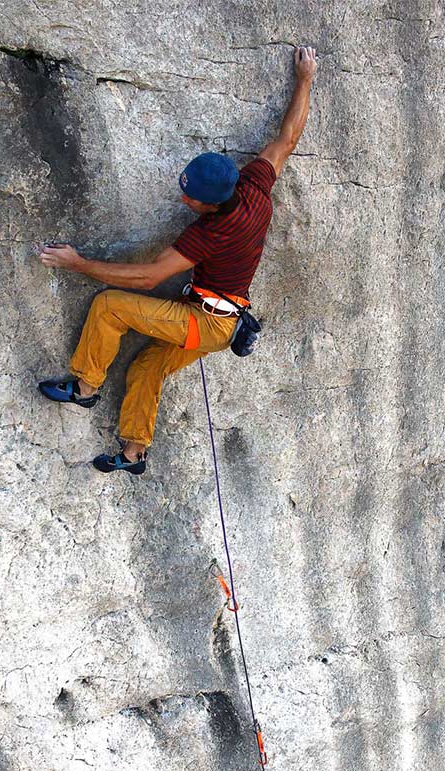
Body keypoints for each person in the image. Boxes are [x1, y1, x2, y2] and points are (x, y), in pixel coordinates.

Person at [37, 46, 318, 475]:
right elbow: (287, 139)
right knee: (148, 365)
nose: (182, 197)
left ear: (209, 204)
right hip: (223, 321)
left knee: (109, 306)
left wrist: (79, 263)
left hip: (204, 322)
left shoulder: (210, 232)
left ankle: (85, 385)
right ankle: (132, 454)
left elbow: (150, 278)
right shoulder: (256, 186)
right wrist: (305, 79)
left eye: (190, 196)